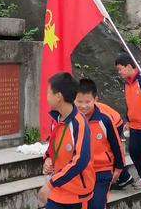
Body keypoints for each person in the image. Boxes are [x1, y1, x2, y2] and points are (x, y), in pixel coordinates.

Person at [39, 72, 95, 209]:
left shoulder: (79, 123)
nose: (46, 97)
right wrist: (48, 158)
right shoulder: (57, 119)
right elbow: (53, 147)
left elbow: (81, 159)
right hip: (58, 190)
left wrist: (50, 183)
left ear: (58, 97)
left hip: (76, 194)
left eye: (48, 93)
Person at [74, 78, 125, 209]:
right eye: (79, 102)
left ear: (95, 99)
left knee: (96, 204)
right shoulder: (71, 120)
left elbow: (116, 144)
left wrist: (119, 167)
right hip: (79, 170)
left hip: (102, 169)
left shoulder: (105, 119)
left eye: (87, 102)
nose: (83, 106)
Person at [115, 53, 141, 190]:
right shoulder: (127, 84)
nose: (119, 72)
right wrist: (128, 120)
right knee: (133, 151)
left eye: (120, 69)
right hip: (134, 124)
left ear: (128, 66)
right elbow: (129, 103)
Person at [94, 102, 133, 189]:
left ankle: (124, 177)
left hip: (114, 123)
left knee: (109, 151)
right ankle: (124, 177)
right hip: (112, 121)